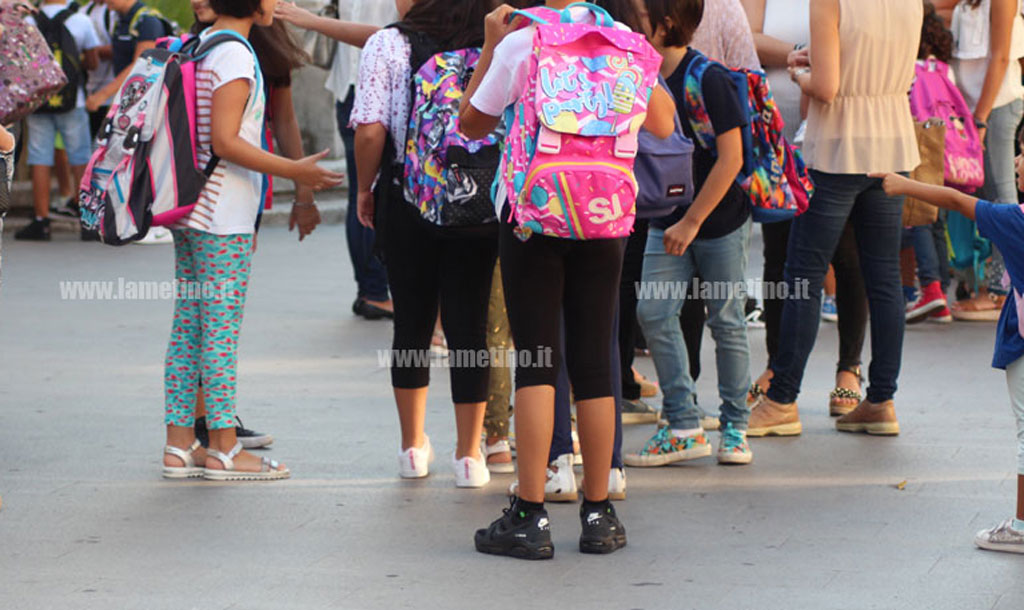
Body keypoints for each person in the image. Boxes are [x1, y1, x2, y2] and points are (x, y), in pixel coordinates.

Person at [461, 0, 675, 559]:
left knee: (538, 361)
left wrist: (488, 45)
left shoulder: (521, 41)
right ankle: (599, 513)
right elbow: (662, 122)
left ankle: (530, 516)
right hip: (605, 214)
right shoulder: (624, 39)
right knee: (594, 364)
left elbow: (471, 122)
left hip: (536, 212)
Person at [160, 0, 343, 481]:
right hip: (224, 214)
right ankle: (222, 448)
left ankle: (179, 446)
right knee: (218, 333)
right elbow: (225, 140)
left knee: (189, 329)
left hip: (193, 209)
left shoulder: (199, 45)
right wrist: (294, 170)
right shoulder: (236, 54)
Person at [748, 0, 922, 437]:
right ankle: (880, 399)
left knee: (803, 275)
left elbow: (825, 88)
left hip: (838, 144)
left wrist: (797, 74)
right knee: (883, 277)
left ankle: (783, 398)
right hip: (891, 140)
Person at [351, 0, 505, 489]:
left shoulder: (388, 44)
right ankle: (468, 456)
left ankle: (413, 448)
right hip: (478, 198)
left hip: (406, 195)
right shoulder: (494, 41)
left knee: (412, 324)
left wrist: (364, 187)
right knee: (469, 325)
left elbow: (372, 129)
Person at [623, 0, 753, 470]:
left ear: (666, 25)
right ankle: (682, 421)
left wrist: (692, 221)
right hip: (664, 220)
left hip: (717, 223)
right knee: (654, 312)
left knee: (727, 321)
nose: (631, 20)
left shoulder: (709, 78)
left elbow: (732, 159)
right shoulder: (638, 76)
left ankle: (735, 425)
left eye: (639, 14)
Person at [870, 164, 1024, 554]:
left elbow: (956, 200)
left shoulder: (1013, 220)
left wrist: (904, 184)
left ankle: (1022, 526)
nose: (1017, 161)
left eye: (1023, 153)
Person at [740, 0, 868, 416]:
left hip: (835, 134)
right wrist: (798, 51)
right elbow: (749, 38)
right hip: (777, 140)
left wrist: (812, 56)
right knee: (778, 255)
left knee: (846, 256)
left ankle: (849, 369)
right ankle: (777, 367)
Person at [274, 0, 396, 320]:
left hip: (349, 84)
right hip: (387, 81)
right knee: (386, 194)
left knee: (362, 190)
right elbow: (389, 36)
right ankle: (383, 290)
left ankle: (371, 289)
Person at [947, 0, 1024, 320]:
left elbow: (1002, 56)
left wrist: (979, 118)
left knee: (1002, 196)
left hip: (995, 108)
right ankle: (991, 286)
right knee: (982, 195)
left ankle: (999, 292)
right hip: (970, 111)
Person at [14, 0, 100, 242]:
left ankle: (41, 221)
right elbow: (93, 62)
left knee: (39, 158)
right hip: (75, 101)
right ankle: (87, 221)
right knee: (80, 157)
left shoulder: (29, 23)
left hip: (39, 101)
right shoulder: (81, 20)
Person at [82, 0, 115, 138]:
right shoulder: (85, 11)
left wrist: (91, 52)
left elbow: (122, 49)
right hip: (90, 92)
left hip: (112, 92)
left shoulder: (114, 11)